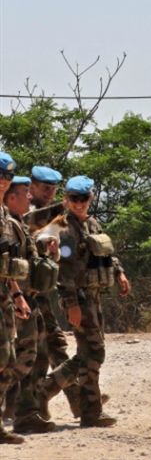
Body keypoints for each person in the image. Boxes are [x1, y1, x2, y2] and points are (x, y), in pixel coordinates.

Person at [37, 176, 130, 427]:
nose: (79, 203)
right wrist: (72, 303)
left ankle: (44, 390)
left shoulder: (91, 223)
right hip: (78, 298)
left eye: (84, 198)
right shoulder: (65, 229)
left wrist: (119, 272)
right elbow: (64, 271)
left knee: (88, 352)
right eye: (73, 199)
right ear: (66, 200)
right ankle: (90, 411)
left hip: (94, 295)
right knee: (93, 351)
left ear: (90, 198)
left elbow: (105, 253)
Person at [2, 178, 58, 435]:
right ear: (12, 198)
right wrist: (17, 295)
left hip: (28, 298)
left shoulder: (19, 225)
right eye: (25, 193)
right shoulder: (10, 225)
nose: (29, 197)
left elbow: (30, 260)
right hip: (17, 299)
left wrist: (48, 250)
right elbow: (10, 265)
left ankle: (26, 413)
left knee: (33, 359)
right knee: (18, 360)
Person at [25, 165, 81, 420]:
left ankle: (77, 400)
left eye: (53, 190)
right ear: (32, 187)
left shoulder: (48, 215)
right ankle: (29, 406)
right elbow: (33, 222)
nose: (49, 194)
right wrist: (63, 206)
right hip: (20, 292)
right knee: (29, 352)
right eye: (45, 189)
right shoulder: (21, 211)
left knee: (54, 344)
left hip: (39, 291)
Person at [0, 154, 26, 444]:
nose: (3, 180)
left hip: (4, 296)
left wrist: (18, 294)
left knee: (7, 361)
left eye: (8, 175)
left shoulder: (5, 216)